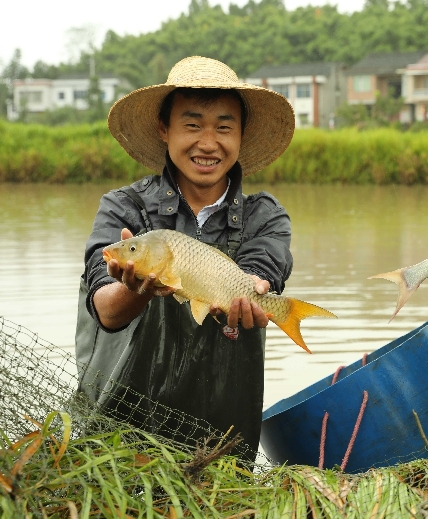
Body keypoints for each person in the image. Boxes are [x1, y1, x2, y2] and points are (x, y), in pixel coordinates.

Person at [75, 56, 295, 458]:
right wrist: (137, 288)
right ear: (165, 129)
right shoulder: (124, 209)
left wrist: (255, 290)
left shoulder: (265, 216)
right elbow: (105, 310)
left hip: (222, 439)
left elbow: (263, 271)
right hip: (119, 435)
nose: (208, 143)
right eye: (192, 125)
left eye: (224, 127)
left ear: (241, 134)